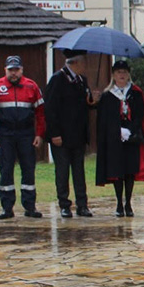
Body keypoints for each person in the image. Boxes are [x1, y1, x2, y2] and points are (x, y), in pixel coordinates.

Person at [0, 55, 46, 219]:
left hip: (26, 133)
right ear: (5, 70)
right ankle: (7, 208)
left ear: (22, 70)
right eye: (11, 70)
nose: (14, 73)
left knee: (28, 170)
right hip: (5, 133)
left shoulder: (31, 86)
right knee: (6, 170)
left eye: (16, 70)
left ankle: (30, 207)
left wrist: (39, 133)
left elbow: (40, 113)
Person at [45, 49, 98, 218]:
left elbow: (85, 104)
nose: (85, 66)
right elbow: (50, 109)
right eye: (83, 62)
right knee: (62, 171)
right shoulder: (57, 80)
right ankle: (64, 205)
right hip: (62, 136)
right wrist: (54, 133)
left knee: (79, 171)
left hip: (78, 135)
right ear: (75, 63)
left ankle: (82, 205)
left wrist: (92, 101)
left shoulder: (81, 81)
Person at [95, 60, 144, 217]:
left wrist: (129, 130)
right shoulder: (107, 96)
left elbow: (140, 116)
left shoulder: (135, 93)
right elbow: (103, 120)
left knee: (129, 172)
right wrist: (116, 131)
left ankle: (128, 203)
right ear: (113, 75)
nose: (122, 75)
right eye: (119, 72)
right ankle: (119, 202)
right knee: (117, 171)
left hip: (131, 138)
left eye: (124, 72)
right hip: (114, 138)